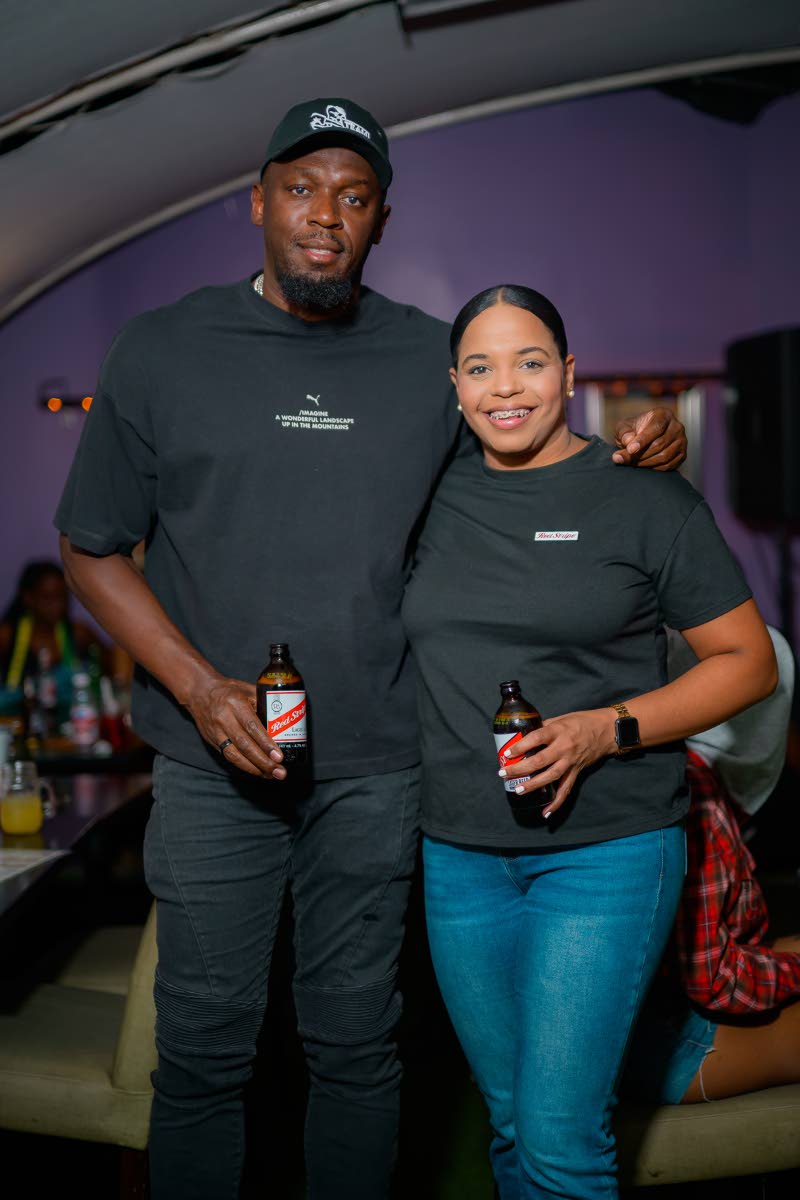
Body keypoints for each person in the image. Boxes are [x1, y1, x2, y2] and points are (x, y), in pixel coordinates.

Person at [54, 98, 686, 1200]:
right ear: (255, 203)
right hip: (213, 768)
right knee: (202, 1055)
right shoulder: (159, 348)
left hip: (381, 768)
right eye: (300, 189)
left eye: (352, 196)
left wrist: (645, 459)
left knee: (353, 1050)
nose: (322, 217)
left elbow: (522, 473)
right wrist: (201, 690)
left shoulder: (422, 363)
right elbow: (91, 547)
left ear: (379, 220)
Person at [401, 284, 778, 1199]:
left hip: (608, 849)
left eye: (530, 362)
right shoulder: (421, 491)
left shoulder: (643, 496)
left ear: (568, 375)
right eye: (481, 367)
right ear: (454, 386)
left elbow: (748, 662)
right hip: (458, 855)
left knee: (563, 1138)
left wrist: (607, 730)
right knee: (514, 1121)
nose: (506, 388)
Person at [623, 627, 800, 1106]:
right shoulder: (695, 794)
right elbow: (713, 980)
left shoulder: (647, 773)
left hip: (612, 1036)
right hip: (665, 1044)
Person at [0, 560, 107, 699]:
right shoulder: (7, 635)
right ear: (28, 598)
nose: (58, 605)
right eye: (48, 598)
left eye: (63, 597)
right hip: (19, 719)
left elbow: (110, 660)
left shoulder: (78, 633)